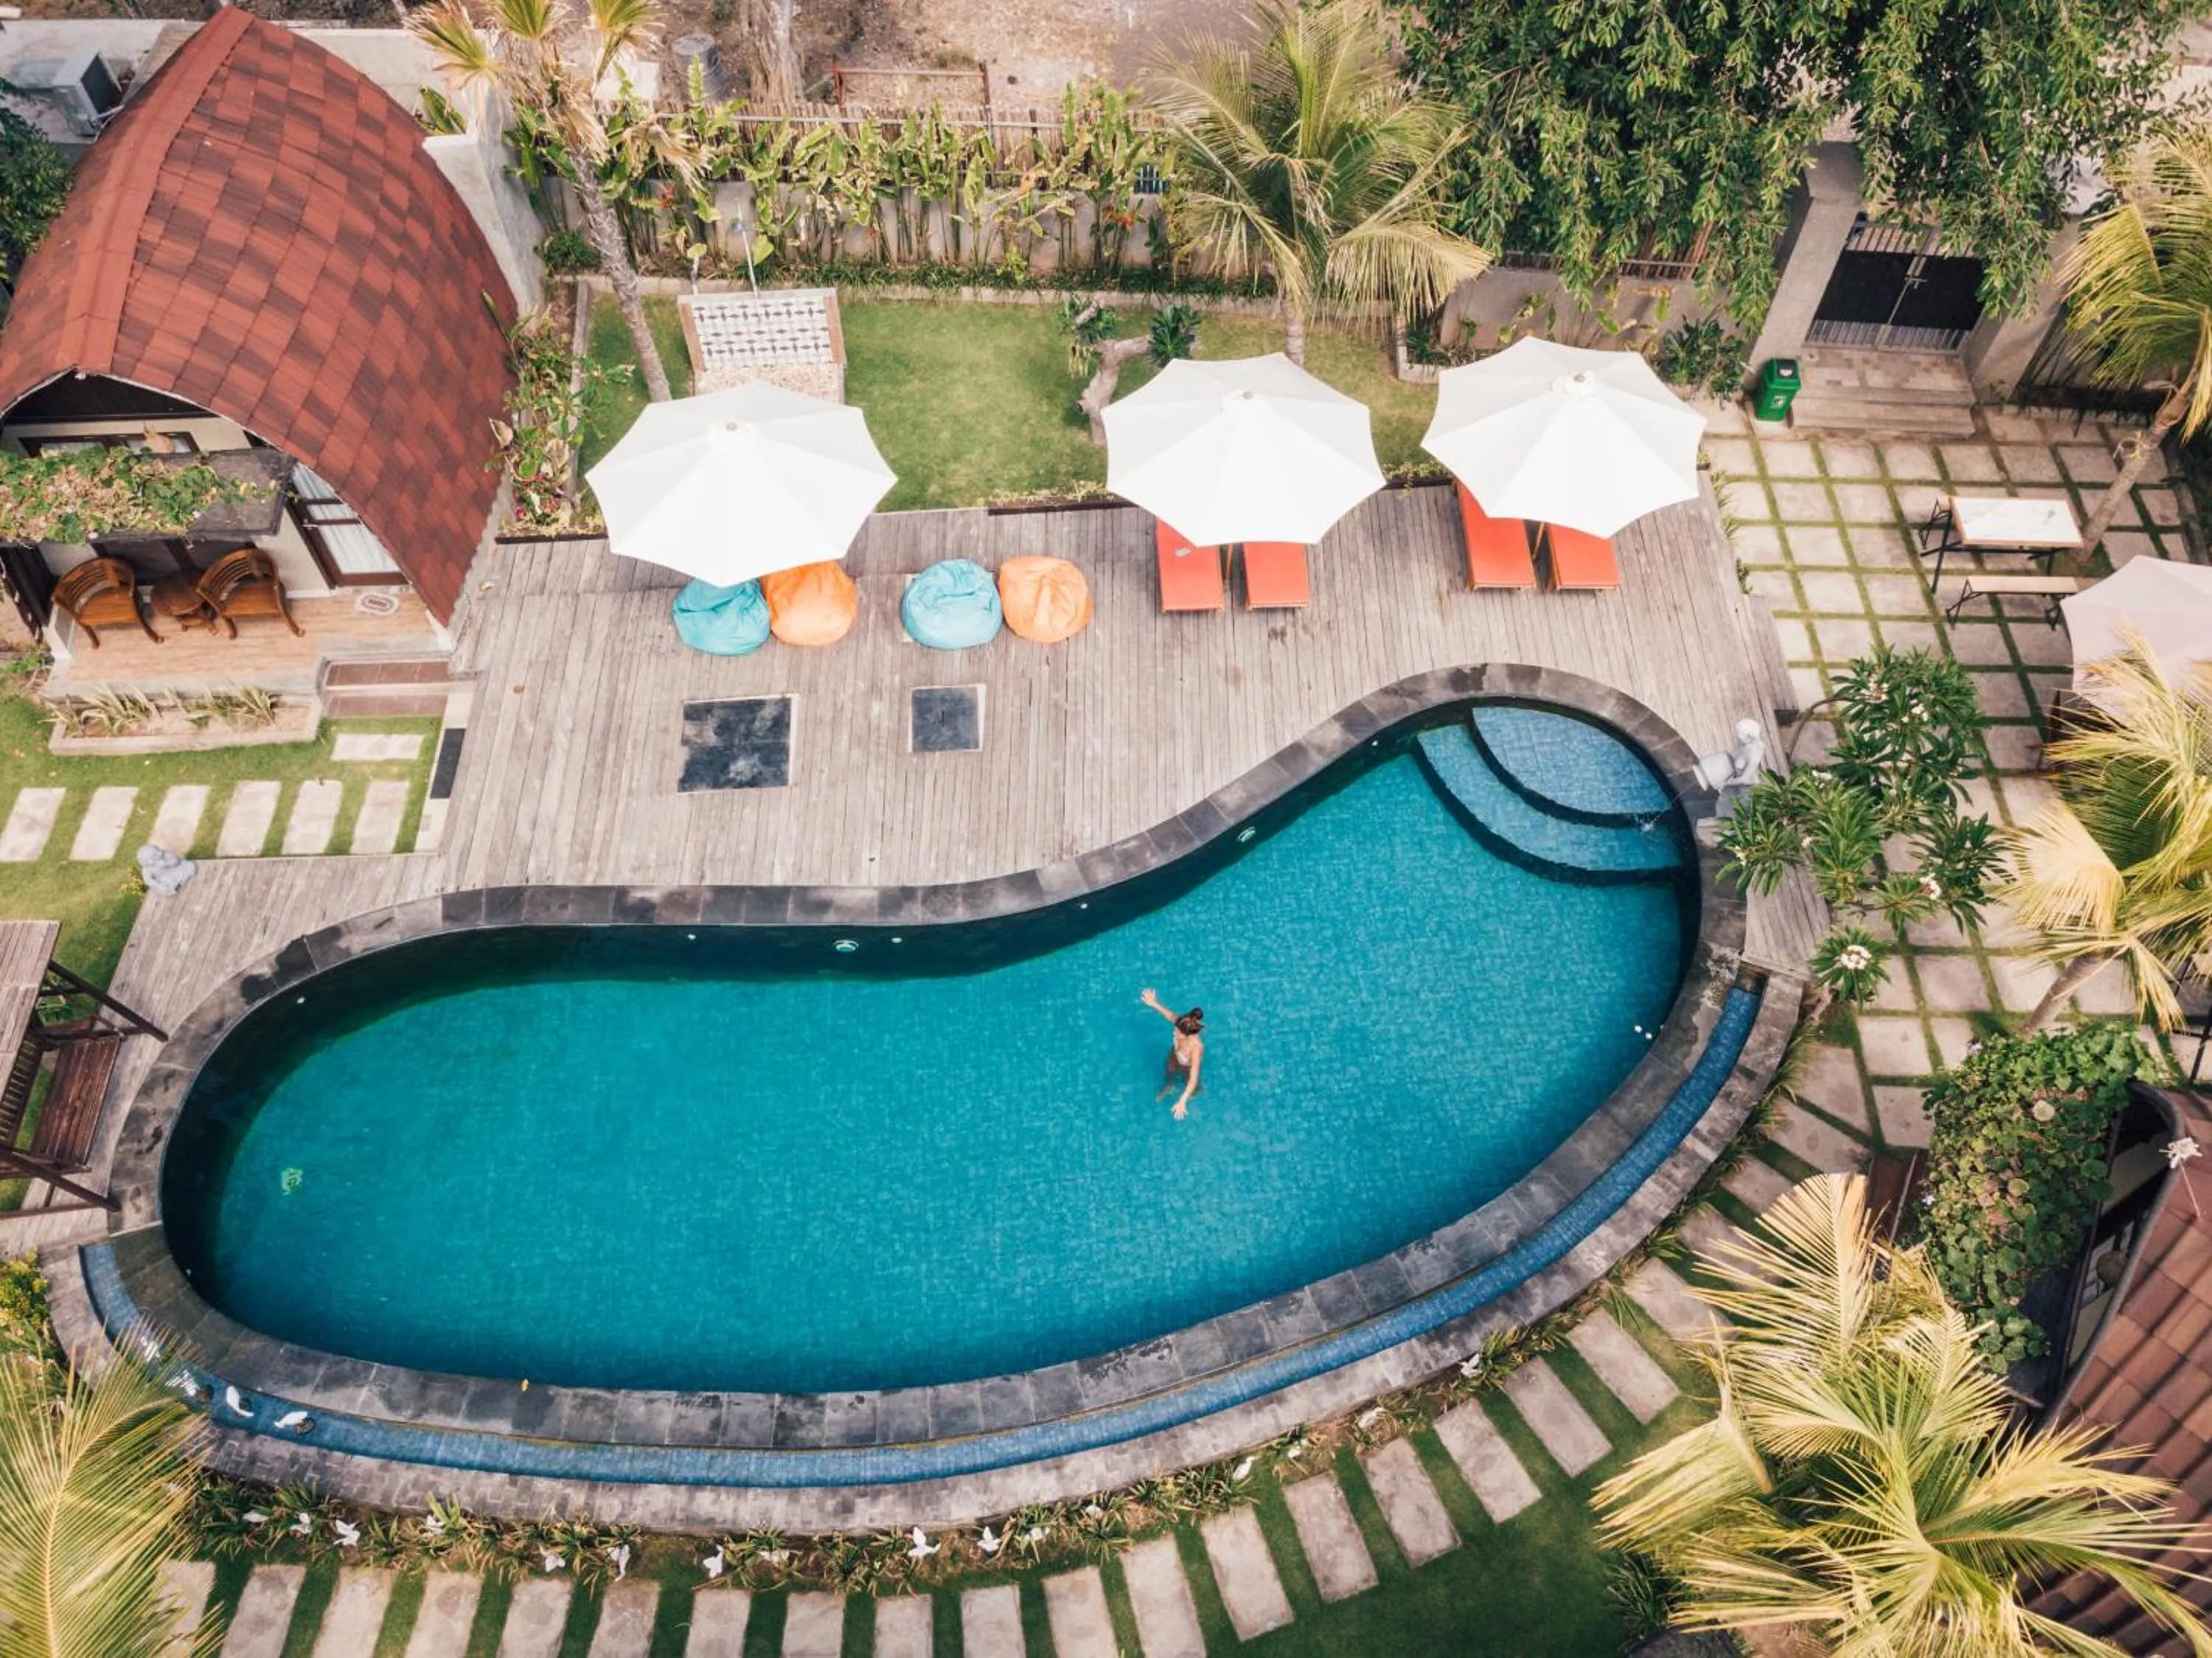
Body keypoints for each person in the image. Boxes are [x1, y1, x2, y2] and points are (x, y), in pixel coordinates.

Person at [1140, 988, 1204, 1119]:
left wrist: (1183, 1100)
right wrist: (1154, 1003)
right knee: (1169, 1073)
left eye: (1178, 1034)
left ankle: (1186, 1095)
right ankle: (1169, 1086)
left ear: (1187, 1035)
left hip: (1187, 1066)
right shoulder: (1182, 1024)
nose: (1174, 1033)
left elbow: (1193, 1077)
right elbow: (1169, 1015)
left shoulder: (1195, 1048)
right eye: (1175, 1029)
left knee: (1193, 1090)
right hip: (1175, 1056)